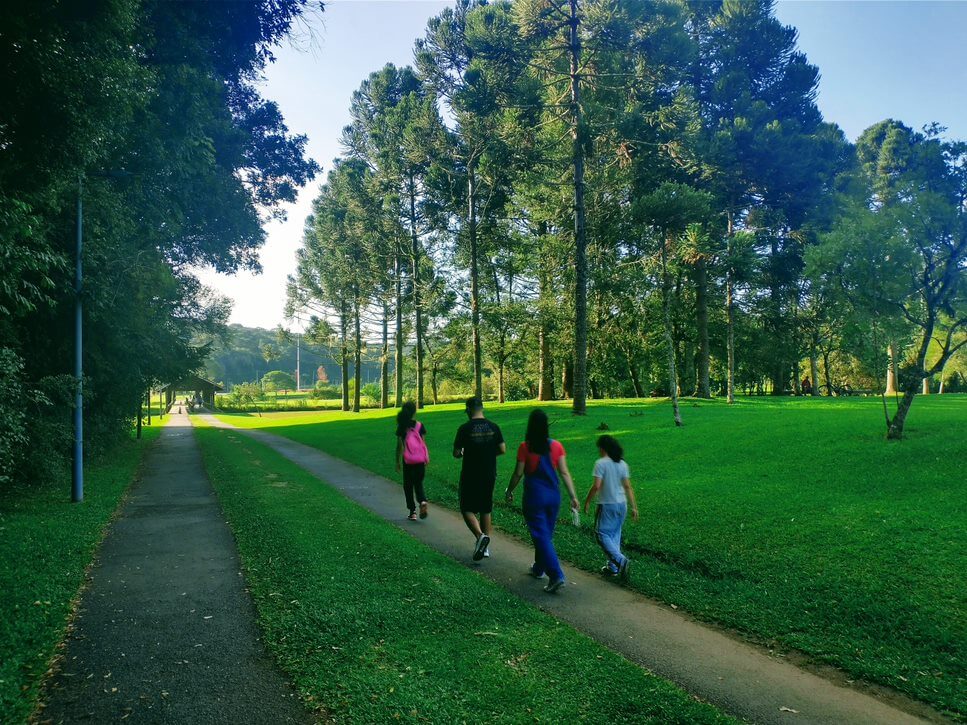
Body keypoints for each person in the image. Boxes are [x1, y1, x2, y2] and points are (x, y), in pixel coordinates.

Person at [504, 409, 579, 593]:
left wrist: (509, 490)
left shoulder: (525, 447)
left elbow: (518, 473)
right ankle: (539, 567)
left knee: (541, 535)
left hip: (534, 497)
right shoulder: (556, 446)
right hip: (554, 497)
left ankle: (556, 575)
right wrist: (573, 496)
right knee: (545, 534)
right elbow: (564, 472)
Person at [453, 397, 506, 561]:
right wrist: (489, 454)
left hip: (470, 473)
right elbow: (502, 449)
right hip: (489, 473)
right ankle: (486, 548)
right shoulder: (494, 427)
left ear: (469, 409)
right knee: (485, 508)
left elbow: (456, 453)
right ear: (481, 408)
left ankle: (480, 536)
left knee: (466, 507)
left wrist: (462, 453)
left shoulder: (464, 428)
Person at [583, 435, 638, 579]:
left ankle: (621, 561)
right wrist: (634, 507)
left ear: (603, 448)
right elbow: (628, 486)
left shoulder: (601, 463)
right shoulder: (622, 464)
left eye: (599, 449)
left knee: (601, 534)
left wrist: (588, 501)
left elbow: (596, 486)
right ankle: (613, 567)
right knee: (614, 534)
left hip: (607, 505)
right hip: (622, 505)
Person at [395, 401, 429, 521]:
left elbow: (399, 446)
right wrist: (426, 457)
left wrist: (397, 461)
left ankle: (412, 511)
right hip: (420, 460)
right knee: (418, 484)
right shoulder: (420, 425)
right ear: (414, 412)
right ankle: (423, 501)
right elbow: (423, 444)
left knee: (408, 486)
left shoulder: (402, 427)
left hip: (408, 461)